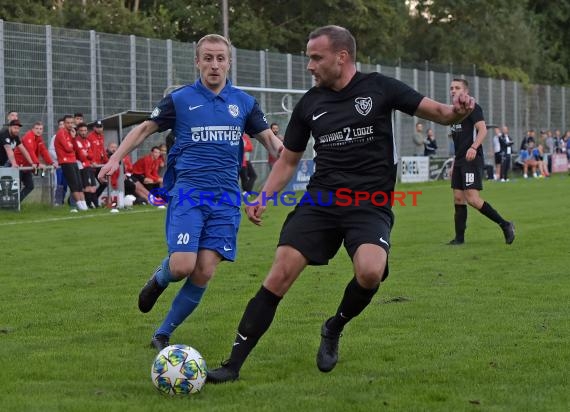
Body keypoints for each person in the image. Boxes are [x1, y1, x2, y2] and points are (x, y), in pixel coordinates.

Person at [206, 25, 478, 383]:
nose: (310, 66)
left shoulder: (380, 87)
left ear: (342, 57)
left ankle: (334, 326)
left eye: (316, 58)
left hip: (370, 203)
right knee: (279, 274)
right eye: (309, 58)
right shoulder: (309, 104)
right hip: (321, 201)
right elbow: (288, 160)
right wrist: (263, 196)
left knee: (369, 272)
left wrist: (459, 110)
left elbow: (441, 113)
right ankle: (233, 365)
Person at [97, 33, 281, 351]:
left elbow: (272, 143)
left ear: (229, 62)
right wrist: (115, 159)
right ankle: (159, 279)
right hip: (189, 194)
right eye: (207, 58)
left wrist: (288, 159)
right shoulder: (180, 100)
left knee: (204, 270)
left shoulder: (245, 103)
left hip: (225, 199)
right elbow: (144, 128)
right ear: (197, 61)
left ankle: (163, 333)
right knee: (182, 265)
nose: (214, 64)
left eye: (220, 58)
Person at [447, 79, 515, 245]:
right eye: (451, 88)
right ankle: (459, 239)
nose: (453, 91)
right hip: (460, 160)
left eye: (457, 88)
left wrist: (474, 147)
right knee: (458, 197)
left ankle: (505, 225)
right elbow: (457, 141)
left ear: (466, 91)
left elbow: (483, 130)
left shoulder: (473, 108)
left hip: (471, 158)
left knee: (472, 199)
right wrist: (454, 163)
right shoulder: (453, 112)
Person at [54, 114, 89, 211]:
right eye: (68, 123)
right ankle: (80, 205)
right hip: (66, 162)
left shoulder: (71, 133)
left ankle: (84, 204)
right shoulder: (61, 133)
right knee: (73, 185)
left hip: (73, 161)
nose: (70, 125)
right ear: (64, 124)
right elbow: (68, 148)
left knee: (79, 184)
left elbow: (76, 148)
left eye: (71, 123)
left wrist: (73, 139)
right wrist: (73, 139)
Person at [14, 121, 55, 201]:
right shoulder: (28, 136)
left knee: (30, 186)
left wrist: (51, 162)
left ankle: (16, 202)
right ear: (32, 129)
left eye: (41, 129)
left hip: (28, 166)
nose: (39, 130)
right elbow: (30, 151)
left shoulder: (39, 138)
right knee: (16, 187)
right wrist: (37, 163)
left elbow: (44, 151)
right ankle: (11, 204)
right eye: (36, 128)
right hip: (18, 165)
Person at [88, 120, 108, 206]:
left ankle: (94, 199)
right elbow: (89, 150)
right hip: (92, 165)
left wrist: (107, 161)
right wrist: (92, 161)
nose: (99, 129)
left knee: (104, 183)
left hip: (99, 164)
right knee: (91, 185)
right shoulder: (90, 137)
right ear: (94, 128)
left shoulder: (101, 137)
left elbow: (102, 150)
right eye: (97, 127)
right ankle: (92, 203)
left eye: (101, 127)